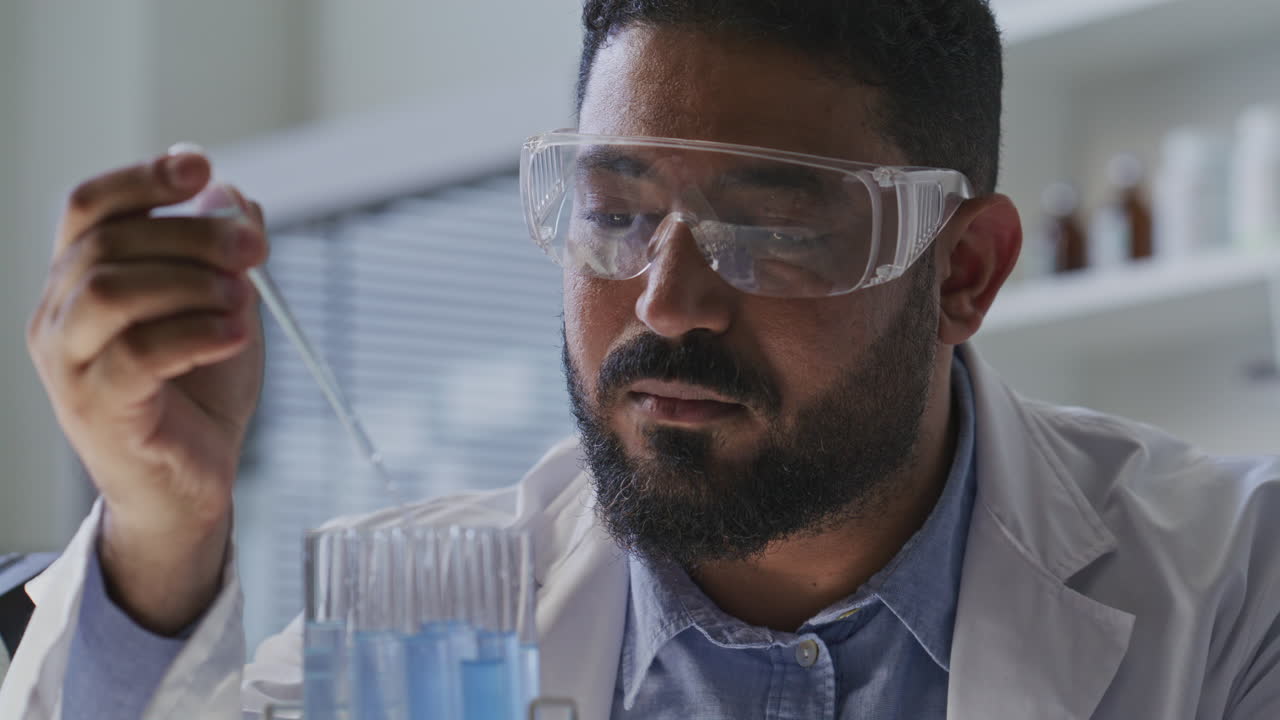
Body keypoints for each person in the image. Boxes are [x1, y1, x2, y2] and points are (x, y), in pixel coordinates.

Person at [3, 0, 1279, 718]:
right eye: (614, 213)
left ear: (963, 273)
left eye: (772, 229)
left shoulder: (1233, 589)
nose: (664, 304)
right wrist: (163, 522)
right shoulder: (430, 634)